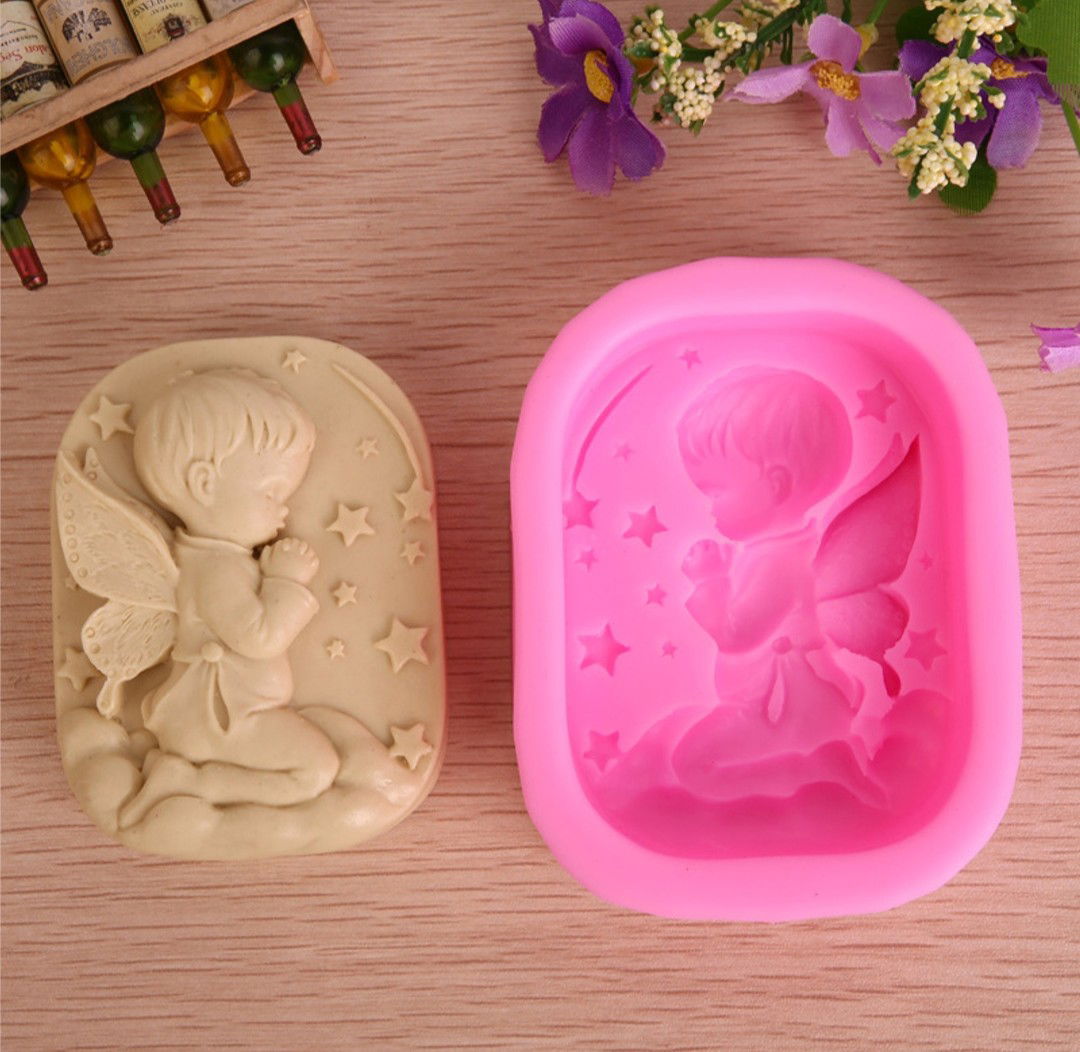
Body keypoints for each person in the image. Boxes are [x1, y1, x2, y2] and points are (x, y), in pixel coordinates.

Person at [118, 369, 340, 827]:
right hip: (224, 721)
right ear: (204, 483)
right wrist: (285, 582)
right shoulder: (216, 571)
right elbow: (258, 637)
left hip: (227, 717)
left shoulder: (209, 560)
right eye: (272, 492)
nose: (284, 511)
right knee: (317, 769)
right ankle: (195, 783)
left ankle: (184, 776)